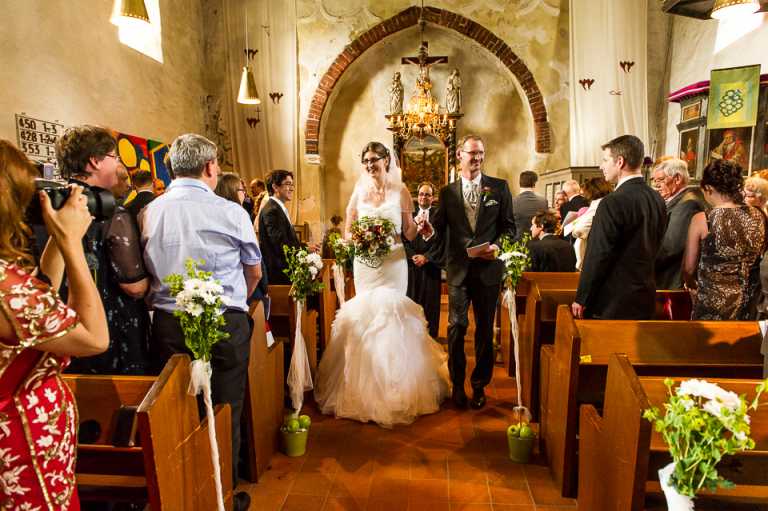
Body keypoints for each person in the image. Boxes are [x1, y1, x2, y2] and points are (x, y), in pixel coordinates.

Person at [140, 134, 260, 511]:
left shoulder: (149, 212)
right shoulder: (231, 212)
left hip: (169, 323)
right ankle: (223, 496)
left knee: (177, 413)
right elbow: (254, 272)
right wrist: (235, 302)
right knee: (225, 408)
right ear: (210, 167)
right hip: (225, 321)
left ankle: (184, 497)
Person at [0, 140, 109, 510]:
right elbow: (94, 338)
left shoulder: (10, 285)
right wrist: (72, 243)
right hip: (23, 445)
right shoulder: (6, 289)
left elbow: (41, 296)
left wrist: (58, 241)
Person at [314, 142, 449, 427]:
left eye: (374, 159)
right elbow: (349, 229)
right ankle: (360, 390)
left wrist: (422, 228)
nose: (369, 165)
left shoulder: (401, 191)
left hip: (393, 263)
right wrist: (359, 239)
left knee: (391, 315)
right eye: (365, 160)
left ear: (386, 160)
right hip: (365, 264)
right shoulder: (358, 191)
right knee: (366, 315)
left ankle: (395, 389)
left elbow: (408, 232)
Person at [424, 134, 515, 410]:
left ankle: (479, 385)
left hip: (488, 271)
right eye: (472, 153)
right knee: (456, 327)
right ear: (460, 155)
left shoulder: (499, 188)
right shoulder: (447, 192)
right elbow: (437, 229)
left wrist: (497, 246)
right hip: (459, 271)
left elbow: (509, 228)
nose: (477, 158)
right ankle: (457, 384)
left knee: (485, 331)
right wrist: (427, 232)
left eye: (480, 153)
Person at [55, 125, 151, 375]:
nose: (118, 164)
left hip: (63, 328)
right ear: (94, 161)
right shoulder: (109, 212)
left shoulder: (52, 203)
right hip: (107, 329)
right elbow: (134, 286)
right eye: (114, 157)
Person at [572, 135, 667, 320]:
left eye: (605, 160)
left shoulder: (612, 202)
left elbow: (598, 253)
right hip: (645, 296)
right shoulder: (657, 199)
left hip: (613, 300)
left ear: (620, 162)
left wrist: (582, 297)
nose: (601, 166)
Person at [682, 160, 767, 320]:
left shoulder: (703, 219)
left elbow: (688, 269)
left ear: (709, 188)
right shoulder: (759, 215)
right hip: (749, 304)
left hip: (712, 304)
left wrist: (692, 286)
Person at [652, 158, 707, 289]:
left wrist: (642, 264)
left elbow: (671, 246)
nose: (656, 185)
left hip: (672, 280)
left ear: (677, 179)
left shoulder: (687, 204)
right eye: (654, 181)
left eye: (660, 180)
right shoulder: (679, 200)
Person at [404, 182, 443, 340]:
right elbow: (403, 239)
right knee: (411, 303)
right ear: (417, 196)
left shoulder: (439, 215)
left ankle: (431, 338)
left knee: (430, 304)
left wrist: (427, 257)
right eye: (421, 194)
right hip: (412, 267)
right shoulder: (409, 214)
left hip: (431, 266)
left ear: (432, 198)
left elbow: (442, 241)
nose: (423, 197)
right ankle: (412, 338)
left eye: (427, 194)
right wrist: (412, 255)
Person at [566, 177, 612, 270]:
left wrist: (574, 229)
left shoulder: (597, 204)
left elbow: (580, 229)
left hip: (589, 253)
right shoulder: (610, 202)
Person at [512, 170, 547, 240]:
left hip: (517, 242)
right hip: (537, 241)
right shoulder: (543, 201)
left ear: (519, 183)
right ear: (534, 183)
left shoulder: (511, 202)